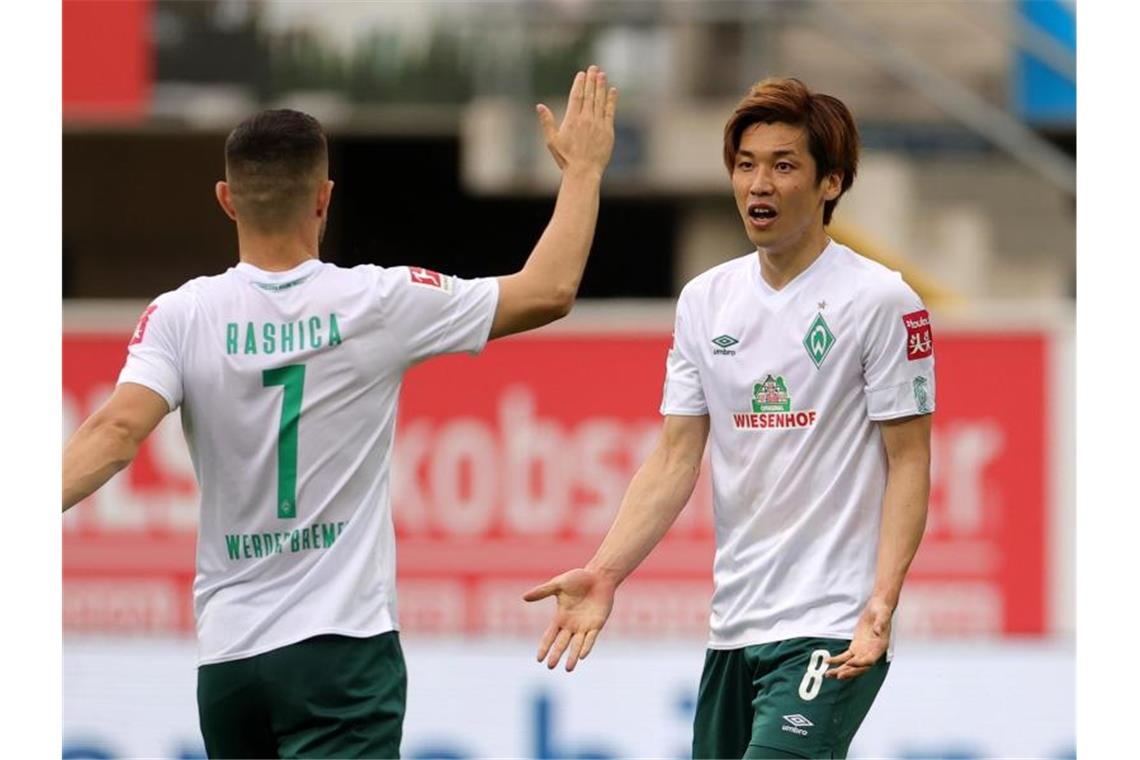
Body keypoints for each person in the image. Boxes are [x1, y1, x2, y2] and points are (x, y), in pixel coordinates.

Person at [62, 66, 617, 759]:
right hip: (339, 652)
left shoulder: (180, 315)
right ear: (324, 198)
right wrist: (585, 171)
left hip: (230, 662)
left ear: (227, 200)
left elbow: (114, 433)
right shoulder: (376, 302)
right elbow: (550, 290)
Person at [523, 77, 934, 760]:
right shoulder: (705, 301)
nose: (758, 184)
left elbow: (910, 461)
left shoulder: (880, 300)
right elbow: (676, 456)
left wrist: (881, 604)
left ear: (830, 183)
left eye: (783, 165)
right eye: (745, 165)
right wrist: (606, 570)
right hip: (735, 628)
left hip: (832, 627)